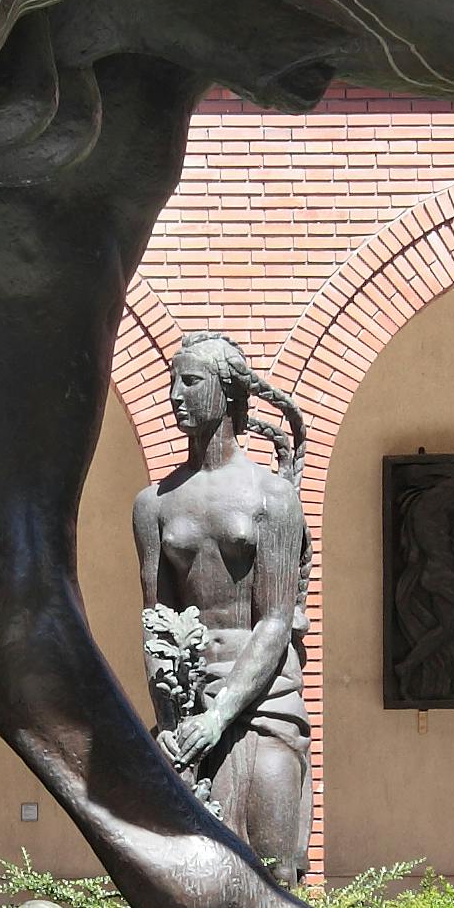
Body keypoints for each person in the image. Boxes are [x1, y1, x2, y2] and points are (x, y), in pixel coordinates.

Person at [133, 330, 316, 880]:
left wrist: (219, 716)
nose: (173, 394)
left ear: (227, 392)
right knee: (197, 874)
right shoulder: (154, 506)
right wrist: (171, 720)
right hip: (189, 699)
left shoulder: (273, 498)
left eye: (190, 381)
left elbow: (277, 620)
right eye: (171, 380)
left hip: (265, 697)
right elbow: (156, 624)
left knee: (276, 866)